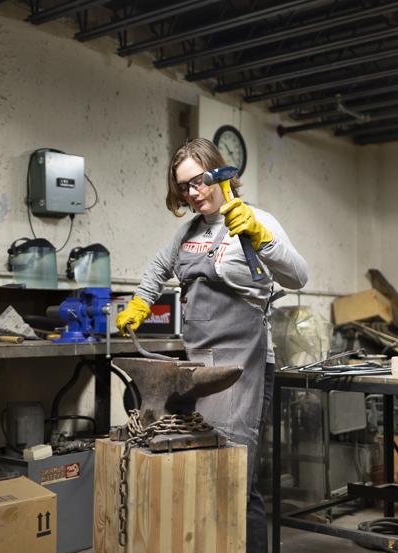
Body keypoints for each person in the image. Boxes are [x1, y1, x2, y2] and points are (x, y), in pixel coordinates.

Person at [116, 138, 308, 552]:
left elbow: (298, 277)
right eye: (185, 186)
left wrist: (262, 239)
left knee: (236, 477)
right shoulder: (188, 233)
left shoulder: (255, 220)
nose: (194, 192)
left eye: (200, 181)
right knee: (204, 472)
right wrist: (140, 301)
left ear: (220, 174)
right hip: (198, 369)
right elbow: (157, 268)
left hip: (244, 367)